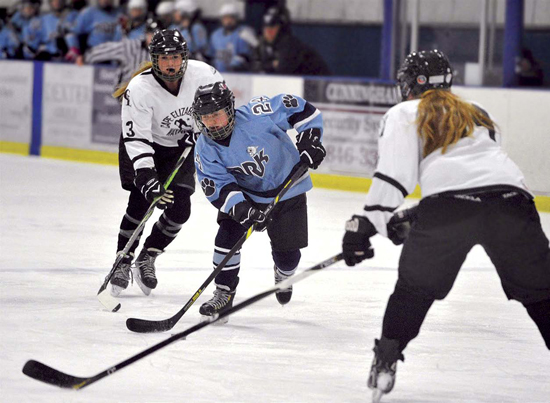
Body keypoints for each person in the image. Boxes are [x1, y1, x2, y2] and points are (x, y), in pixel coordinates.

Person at [340, 49, 550, 401]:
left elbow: (396, 175)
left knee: (414, 290)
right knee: (544, 293)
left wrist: (367, 223)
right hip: (513, 204)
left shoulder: (405, 111)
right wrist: (422, 213)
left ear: (408, 85)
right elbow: (482, 175)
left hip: (450, 209)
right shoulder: (479, 112)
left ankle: (386, 363)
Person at [192, 82, 326, 322]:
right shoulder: (205, 147)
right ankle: (223, 292)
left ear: (230, 110)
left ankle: (284, 275)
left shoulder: (258, 114)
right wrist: (242, 209)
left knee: (288, 256)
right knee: (225, 239)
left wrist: (310, 139)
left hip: (288, 189)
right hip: (246, 194)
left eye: (217, 114)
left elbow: (302, 110)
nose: (211, 122)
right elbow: (217, 185)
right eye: (206, 117)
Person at [108, 29, 224, 297]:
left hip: (179, 150)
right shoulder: (139, 89)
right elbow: (136, 137)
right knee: (140, 203)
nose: (170, 63)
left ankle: (148, 255)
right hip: (143, 147)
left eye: (174, 57)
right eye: (163, 58)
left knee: (180, 209)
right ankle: (121, 260)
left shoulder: (205, 76)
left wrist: (203, 130)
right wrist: (147, 176)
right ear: (154, 60)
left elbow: (221, 108)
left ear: (184, 57)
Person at [254, 6, 330, 76]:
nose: (268, 33)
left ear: (281, 29)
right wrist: (272, 65)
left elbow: (282, 71)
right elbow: (256, 67)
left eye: (272, 28)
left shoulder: (290, 45)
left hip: (318, 83)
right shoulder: (264, 45)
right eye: (266, 28)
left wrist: (269, 65)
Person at [85, 18, 157, 87]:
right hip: (126, 93)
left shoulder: (163, 53)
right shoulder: (131, 46)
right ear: (146, 34)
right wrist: (86, 57)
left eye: (156, 35)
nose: (153, 38)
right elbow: (104, 50)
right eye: (151, 34)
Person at [207, 3, 257, 72]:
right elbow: (210, 56)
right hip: (219, 75)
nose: (228, 21)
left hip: (239, 75)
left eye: (231, 17)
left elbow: (247, 57)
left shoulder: (244, 33)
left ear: (236, 18)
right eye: (225, 18)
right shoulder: (215, 35)